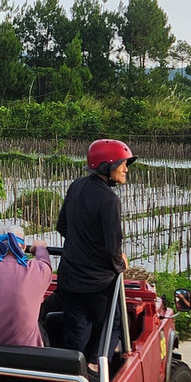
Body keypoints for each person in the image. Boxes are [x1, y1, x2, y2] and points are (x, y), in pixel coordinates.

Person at [53, 138, 135, 362]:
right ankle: (97, 370)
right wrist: (121, 264)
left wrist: (82, 246)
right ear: (107, 166)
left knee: (77, 329)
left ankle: (71, 371)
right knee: (112, 326)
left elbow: (62, 226)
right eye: (122, 164)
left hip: (69, 278)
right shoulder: (110, 200)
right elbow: (112, 248)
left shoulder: (77, 185)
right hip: (96, 284)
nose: (126, 169)